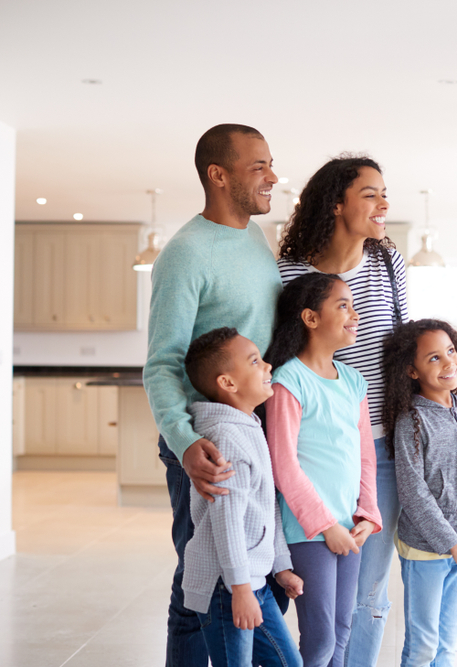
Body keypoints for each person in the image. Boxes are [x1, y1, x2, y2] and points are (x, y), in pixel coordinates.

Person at [143, 123, 282, 667]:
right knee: (198, 579)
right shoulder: (184, 254)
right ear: (217, 175)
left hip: (253, 429)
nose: (272, 176)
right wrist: (183, 443)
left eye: (271, 163)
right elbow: (162, 363)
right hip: (208, 444)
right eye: (258, 167)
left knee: (245, 567)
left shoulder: (253, 236)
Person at [276, 154, 408, 666]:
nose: (383, 204)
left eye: (384, 193)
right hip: (315, 452)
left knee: (367, 594)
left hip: (381, 446)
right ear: (336, 204)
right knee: (313, 601)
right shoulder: (289, 273)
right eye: (370, 194)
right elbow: (286, 354)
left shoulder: (387, 263)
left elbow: (399, 344)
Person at [264, 272, 383, 667]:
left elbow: (366, 457)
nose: (355, 313)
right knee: (319, 640)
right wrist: (325, 525)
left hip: (350, 527)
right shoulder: (288, 381)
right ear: (311, 318)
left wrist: (368, 514)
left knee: (343, 631)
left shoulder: (354, 381)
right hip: (310, 531)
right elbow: (284, 466)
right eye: (343, 305)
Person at [180, 327, 303, 667]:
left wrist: (281, 567)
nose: (267, 367)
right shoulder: (227, 438)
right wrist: (240, 589)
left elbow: (266, 507)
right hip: (227, 586)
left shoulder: (248, 426)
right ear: (228, 383)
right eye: (254, 361)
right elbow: (227, 522)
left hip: (252, 581)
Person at [381, 319, 457, 667]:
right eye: (433, 358)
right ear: (412, 371)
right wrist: (455, 546)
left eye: (450, 351)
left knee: (448, 646)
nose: (448, 362)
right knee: (423, 647)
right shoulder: (411, 421)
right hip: (426, 551)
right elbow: (414, 494)